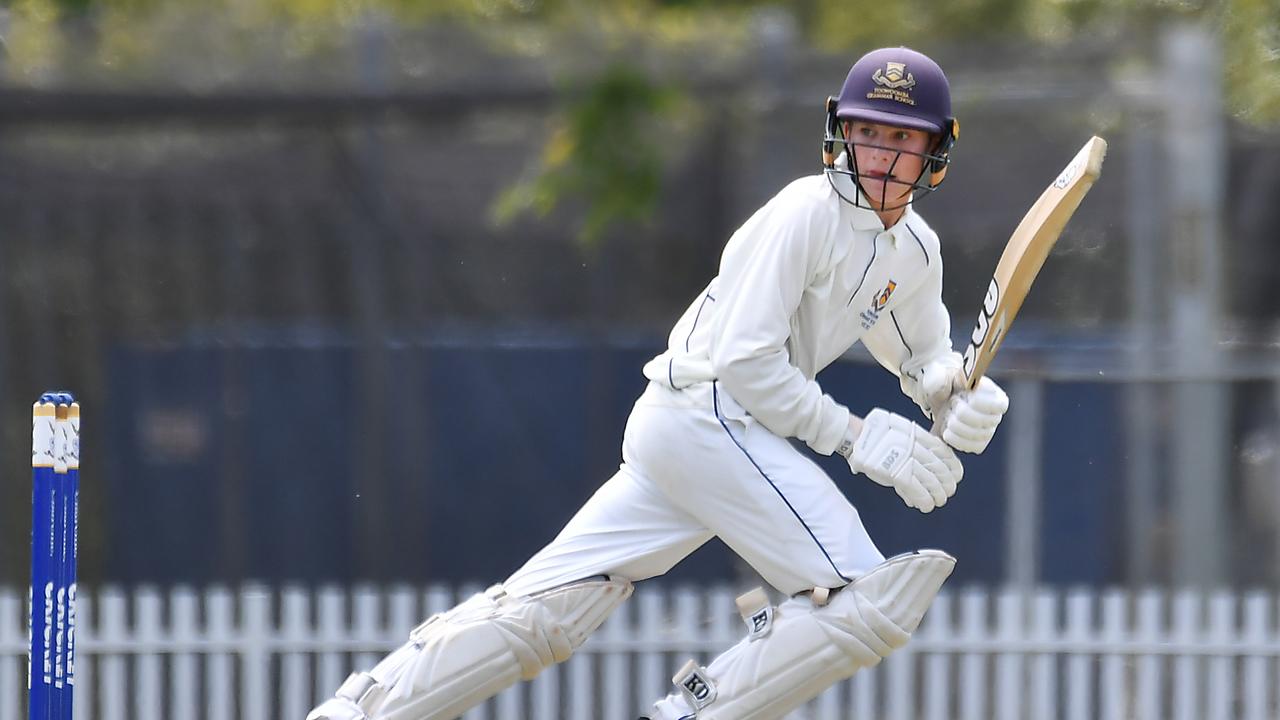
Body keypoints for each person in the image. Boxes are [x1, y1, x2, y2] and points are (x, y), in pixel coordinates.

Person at [308, 45, 1009, 720]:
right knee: (866, 598)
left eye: (901, 137)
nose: (882, 155)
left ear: (935, 151)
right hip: (709, 415)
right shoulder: (806, 214)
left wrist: (958, 395)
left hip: (696, 432)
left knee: (553, 611)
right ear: (838, 133)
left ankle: (364, 707)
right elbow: (745, 363)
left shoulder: (915, 250)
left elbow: (922, 360)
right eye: (867, 132)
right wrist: (853, 438)